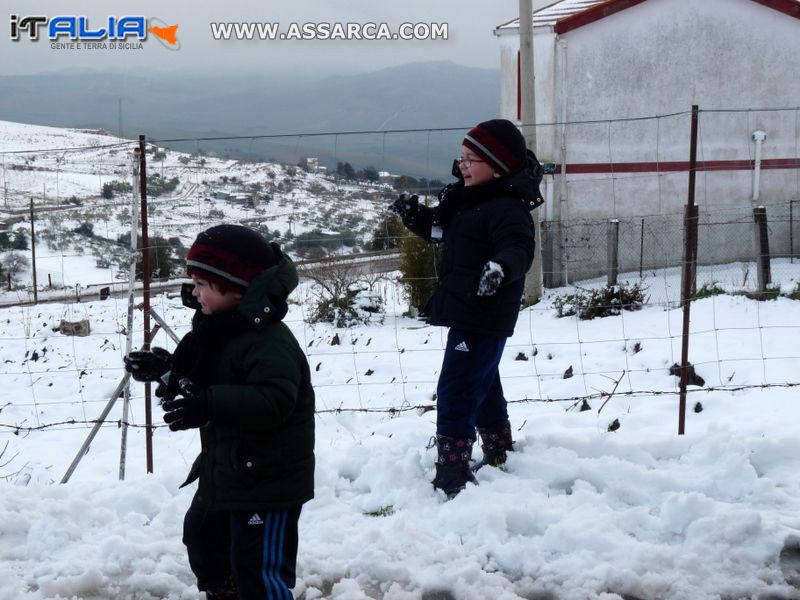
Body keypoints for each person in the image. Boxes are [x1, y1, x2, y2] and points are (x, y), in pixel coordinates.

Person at [124, 224, 315, 599]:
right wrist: (167, 371)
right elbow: (206, 381)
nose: (193, 293)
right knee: (203, 537)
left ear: (235, 288)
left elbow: (273, 401)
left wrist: (210, 404)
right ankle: (225, 591)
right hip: (227, 466)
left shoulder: (269, 343)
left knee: (256, 565)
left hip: (267, 479)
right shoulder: (220, 328)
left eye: (202, 284)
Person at [389, 119, 543, 498]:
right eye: (463, 157)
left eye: (473, 158)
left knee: (457, 386)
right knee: (482, 378)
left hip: (486, 310)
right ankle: (498, 447)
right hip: (469, 309)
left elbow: (519, 248)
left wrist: (500, 269)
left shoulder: (507, 209)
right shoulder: (466, 200)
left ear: (498, 166)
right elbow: (443, 232)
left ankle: (452, 469)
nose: (464, 165)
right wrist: (416, 217)